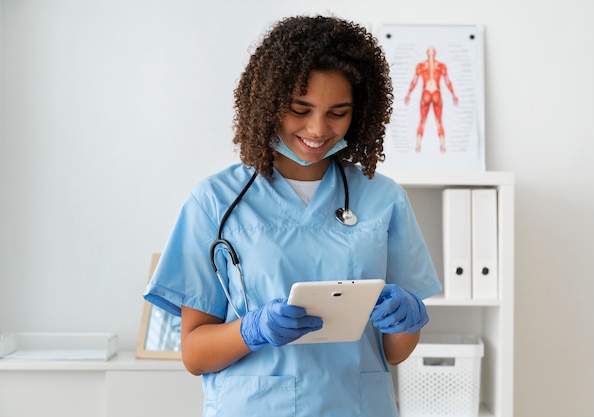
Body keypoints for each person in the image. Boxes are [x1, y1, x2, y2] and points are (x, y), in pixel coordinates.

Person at [144, 14, 441, 417]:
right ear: (268, 103)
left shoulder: (383, 198)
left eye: (338, 112)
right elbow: (195, 355)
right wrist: (252, 331)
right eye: (300, 109)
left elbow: (394, 353)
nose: (318, 129)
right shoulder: (215, 200)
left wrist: (407, 320)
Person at [404, 46, 458, 153]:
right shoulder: (440, 66)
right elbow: (447, 81)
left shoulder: (422, 66)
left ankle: (419, 145)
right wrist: (453, 94)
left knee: (423, 121)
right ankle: (441, 146)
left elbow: (414, 80)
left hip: (427, 93)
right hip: (435, 93)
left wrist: (408, 94)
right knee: (438, 121)